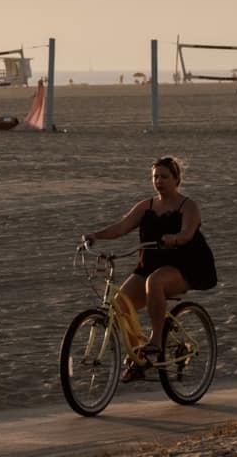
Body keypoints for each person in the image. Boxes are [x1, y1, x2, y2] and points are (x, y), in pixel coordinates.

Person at [82, 156, 218, 374]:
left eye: (164, 177)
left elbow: (187, 234)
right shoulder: (147, 206)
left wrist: (173, 239)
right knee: (120, 306)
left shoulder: (188, 205)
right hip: (149, 264)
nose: (159, 181)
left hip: (185, 264)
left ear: (176, 179)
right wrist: (95, 236)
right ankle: (139, 357)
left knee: (155, 282)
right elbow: (121, 227)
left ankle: (156, 341)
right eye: (155, 177)